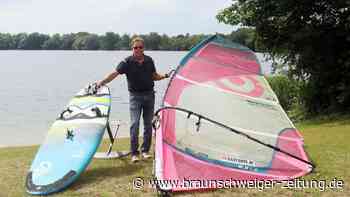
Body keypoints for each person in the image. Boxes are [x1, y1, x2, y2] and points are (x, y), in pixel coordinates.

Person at [96, 37, 170, 162]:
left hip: (150, 95)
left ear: (143, 48)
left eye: (140, 47)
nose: (138, 49)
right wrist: (102, 82)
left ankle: (145, 151)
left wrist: (164, 76)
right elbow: (114, 73)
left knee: (148, 124)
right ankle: (134, 153)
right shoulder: (126, 62)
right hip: (135, 97)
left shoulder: (149, 60)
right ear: (132, 49)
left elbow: (154, 76)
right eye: (135, 47)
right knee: (135, 124)